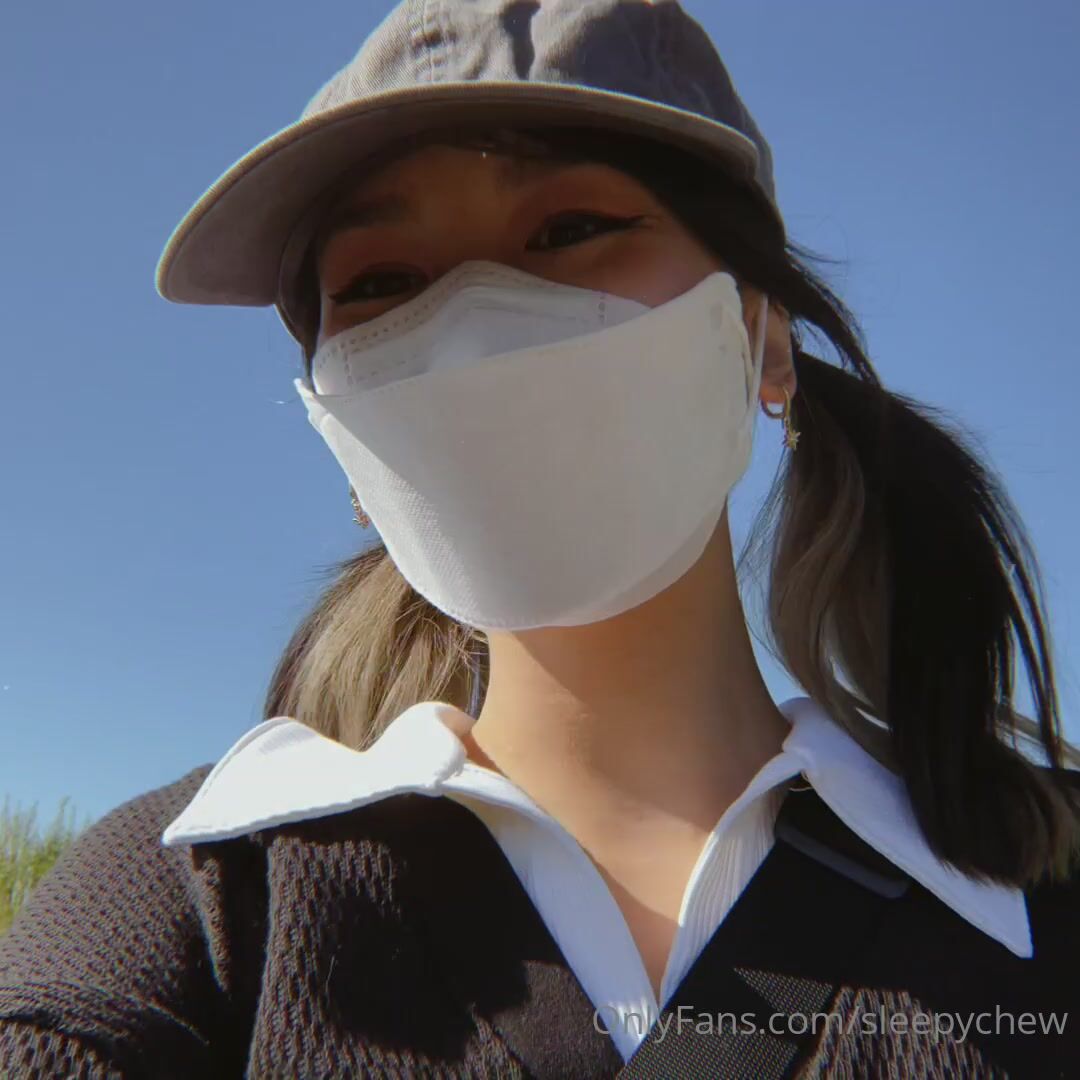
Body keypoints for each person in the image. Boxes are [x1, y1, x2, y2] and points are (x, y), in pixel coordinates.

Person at [2, 1, 1078, 1077]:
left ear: (763, 341)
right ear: (341, 431)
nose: (472, 332)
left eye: (570, 230)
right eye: (381, 283)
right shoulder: (194, 906)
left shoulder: (1043, 893)